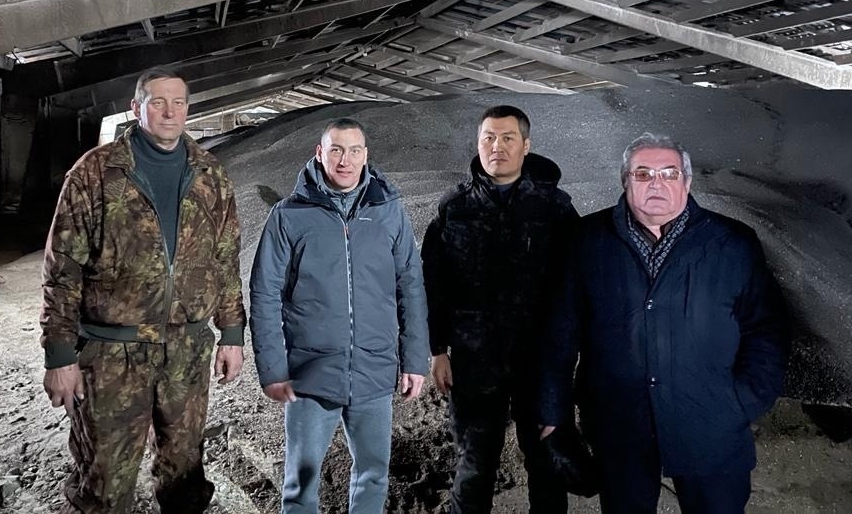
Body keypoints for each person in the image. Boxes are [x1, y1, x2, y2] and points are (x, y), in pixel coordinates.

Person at [539, 132, 789, 514]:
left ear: (687, 182)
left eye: (669, 173)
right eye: (643, 174)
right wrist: (553, 417)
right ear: (625, 181)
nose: (656, 183)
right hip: (619, 425)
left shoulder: (732, 243)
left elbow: (767, 328)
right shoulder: (585, 241)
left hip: (712, 426)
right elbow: (557, 336)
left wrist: (742, 402)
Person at [40, 68, 246, 514]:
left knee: (184, 474)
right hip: (112, 353)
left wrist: (232, 333)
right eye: (158, 102)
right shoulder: (96, 172)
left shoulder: (210, 173)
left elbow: (225, 257)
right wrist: (59, 355)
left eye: (179, 103)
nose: (170, 112)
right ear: (137, 109)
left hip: (186, 350)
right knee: (106, 479)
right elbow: (63, 269)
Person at [249, 117, 430, 514]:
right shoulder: (288, 216)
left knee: (373, 476)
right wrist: (273, 369)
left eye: (353, 151)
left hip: (374, 372)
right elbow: (264, 294)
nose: (344, 160)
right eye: (336, 150)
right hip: (311, 374)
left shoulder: (388, 211)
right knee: (300, 485)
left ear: (366, 155)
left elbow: (411, 286)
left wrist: (415, 360)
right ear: (320, 153)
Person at [422, 105, 579, 514]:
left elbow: (574, 287)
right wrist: (437, 349)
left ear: (526, 146)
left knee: (545, 462)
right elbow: (434, 284)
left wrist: (568, 356)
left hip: (538, 361)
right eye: (489, 138)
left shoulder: (555, 208)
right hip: (474, 362)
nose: (497, 146)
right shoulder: (454, 207)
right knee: (474, 466)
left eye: (508, 138)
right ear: (478, 144)